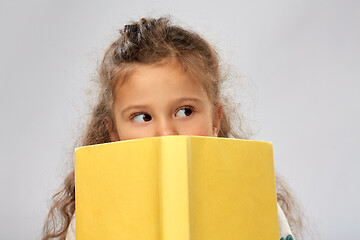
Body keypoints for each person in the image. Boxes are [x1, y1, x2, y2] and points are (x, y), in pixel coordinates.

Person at [42, 17, 303, 240]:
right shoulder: (95, 207)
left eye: (184, 111)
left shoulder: (253, 197)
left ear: (215, 120)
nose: (166, 133)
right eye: (142, 117)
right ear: (113, 133)